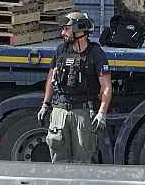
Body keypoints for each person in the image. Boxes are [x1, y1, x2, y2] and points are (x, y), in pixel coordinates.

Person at [38, 12, 112, 163]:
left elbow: (106, 86)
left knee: (83, 162)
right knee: (59, 162)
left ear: (79, 30)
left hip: (83, 114)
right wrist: (45, 104)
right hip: (59, 112)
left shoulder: (95, 53)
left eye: (66, 28)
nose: (62, 33)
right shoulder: (61, 50)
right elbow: (51, 79)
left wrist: (102, 113)